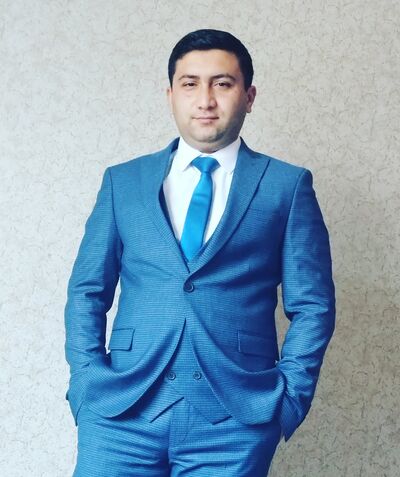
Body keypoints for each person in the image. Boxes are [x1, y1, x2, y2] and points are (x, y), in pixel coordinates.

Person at [65, 28, 335, 477]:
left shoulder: (286, 186)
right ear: (170, 95)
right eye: (190, 84)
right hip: (119, 414)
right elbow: (87, 291)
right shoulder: (122, 182)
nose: (205, 100)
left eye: (222, 83)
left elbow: (313, 305)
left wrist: (289, 398)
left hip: (234, 422)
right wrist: (86, 381)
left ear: (249, 96)